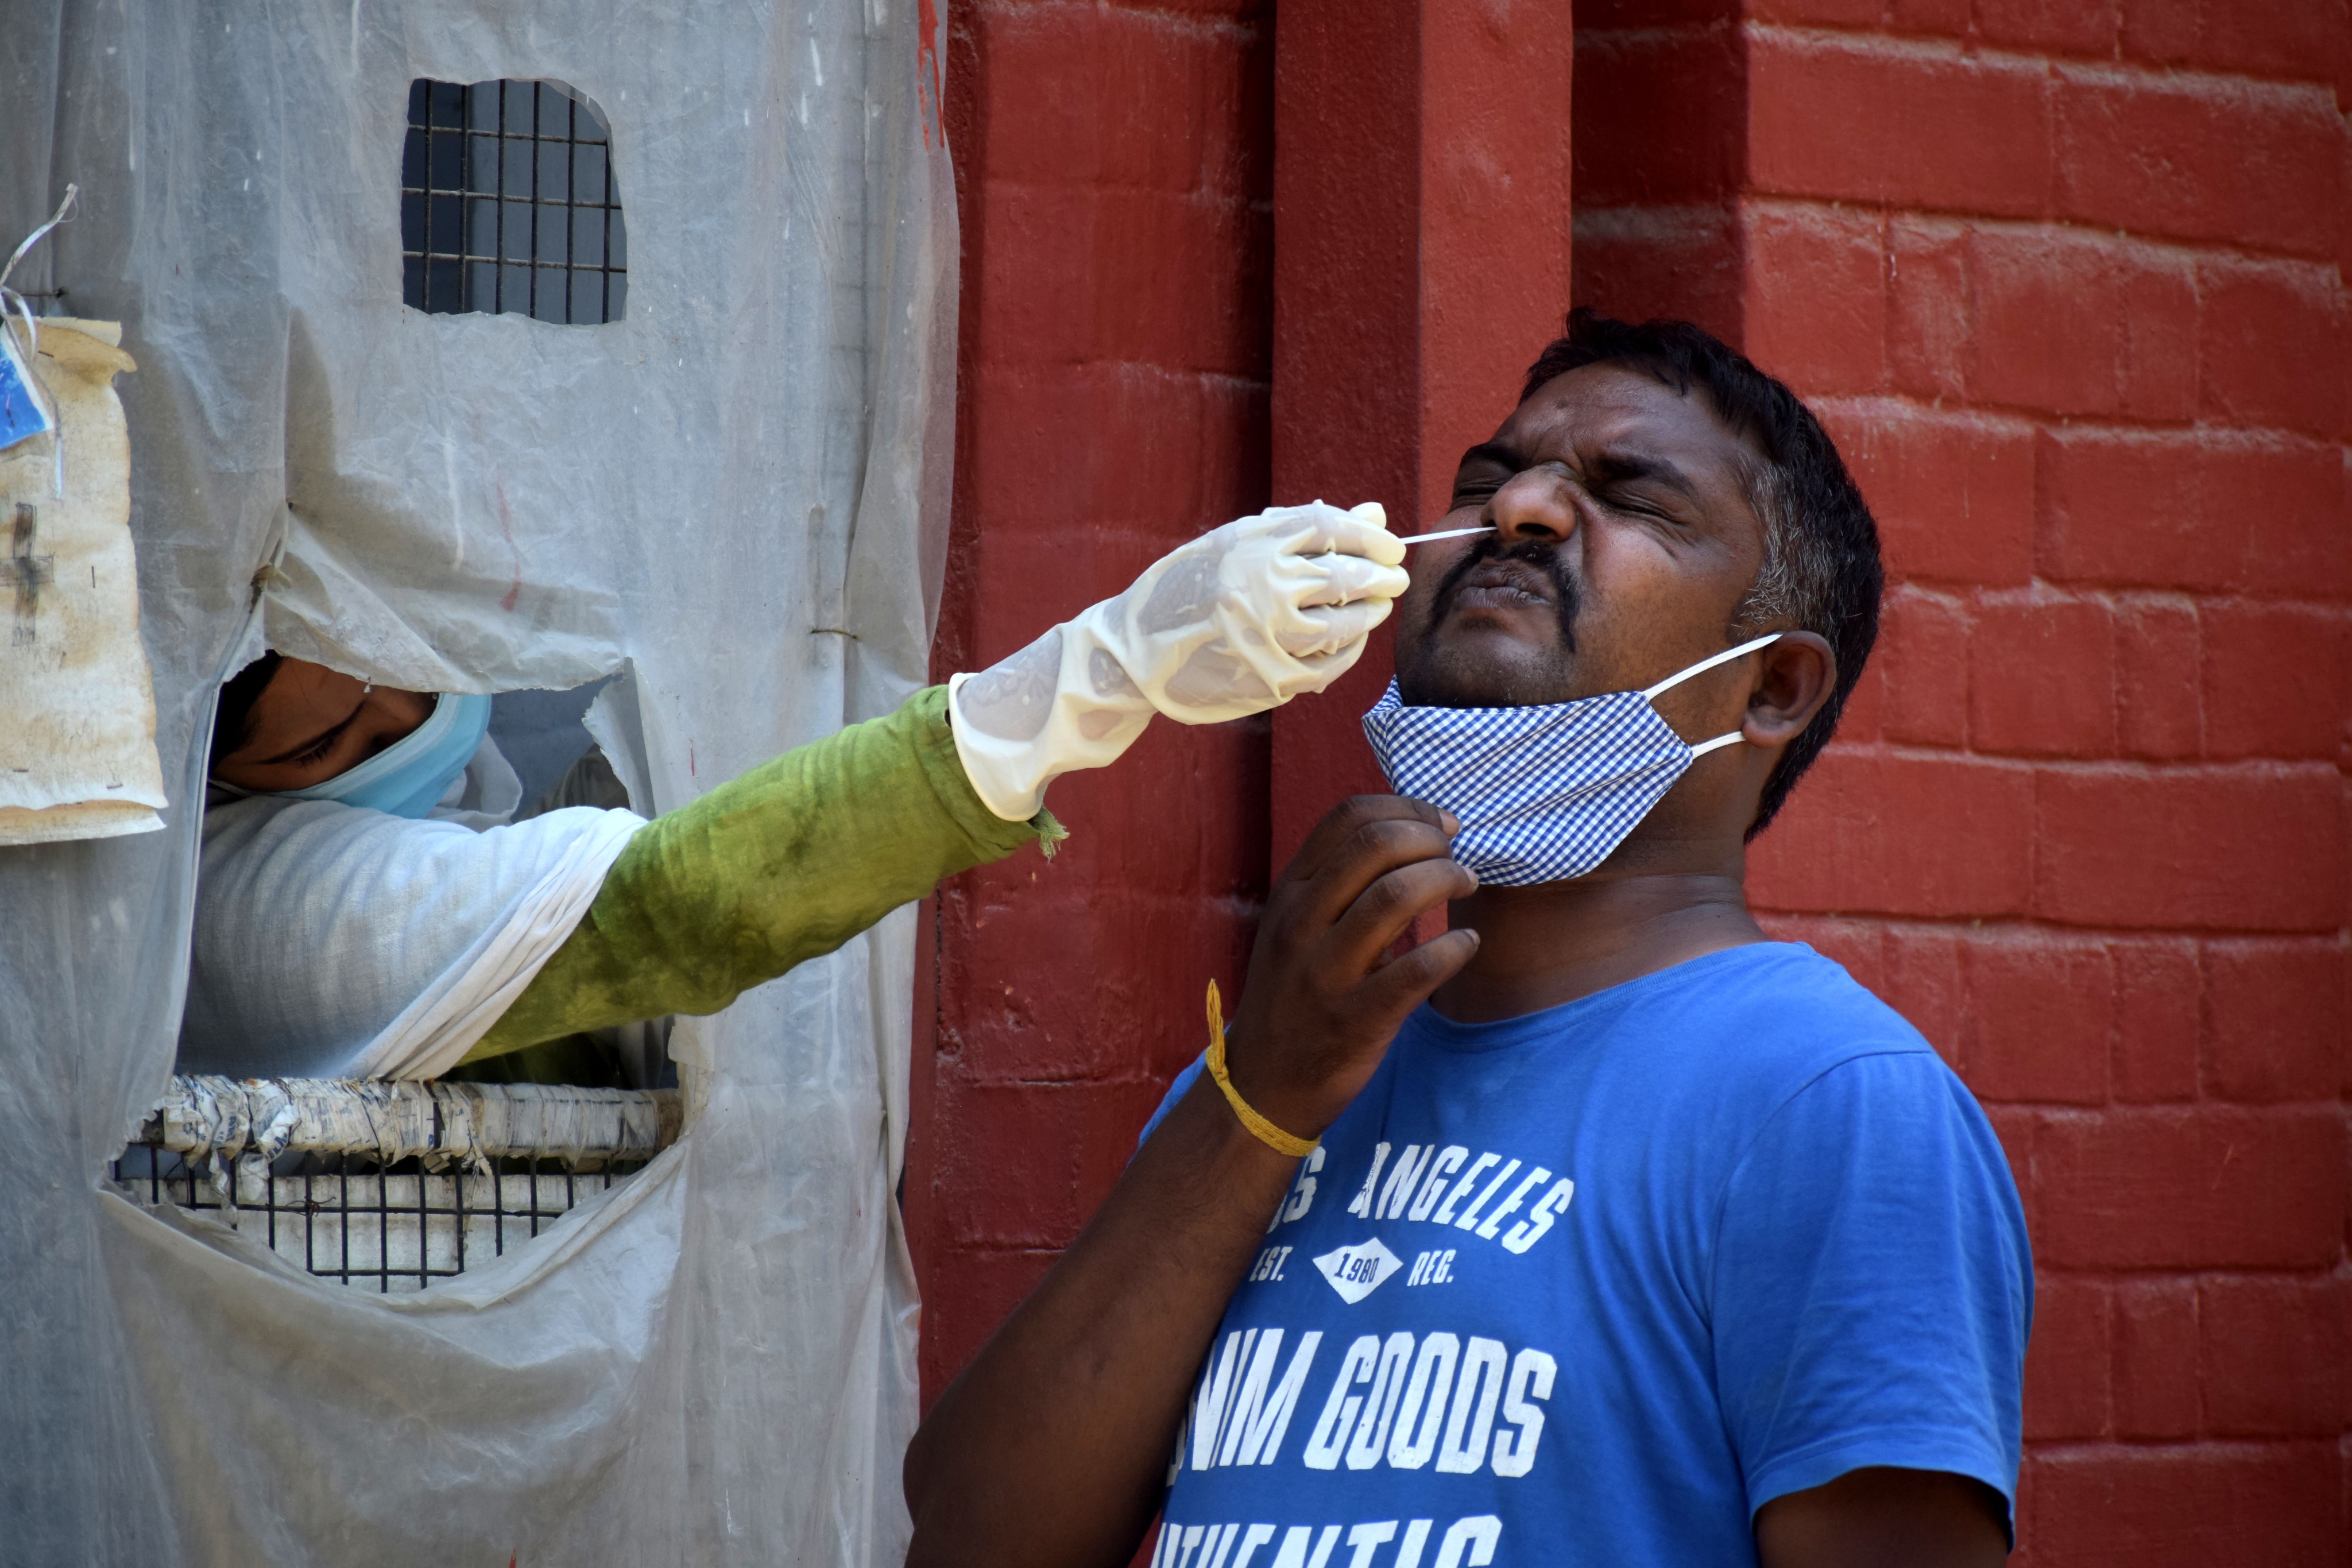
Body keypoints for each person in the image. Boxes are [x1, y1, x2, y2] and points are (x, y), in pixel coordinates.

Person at [902, 312, 2032, 1568]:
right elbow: (965, 1539)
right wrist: (1257, 1095)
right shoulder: (1266, 1082)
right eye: (1487, 481)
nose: (1522, 511)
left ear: (1770, 686)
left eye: (1628, 495)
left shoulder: (1829, 1104)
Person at [183, 502, 1409, 1085]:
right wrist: (1087, 681)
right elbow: (665, 906)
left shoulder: (486, 775)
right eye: (332, 741)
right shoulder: (239, 914)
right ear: (219, 776)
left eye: (391, 668)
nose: (409, 718)